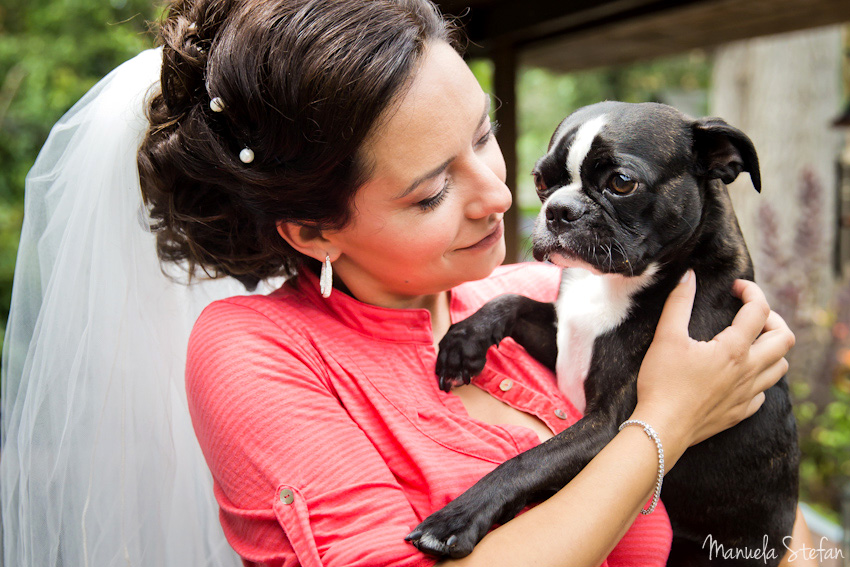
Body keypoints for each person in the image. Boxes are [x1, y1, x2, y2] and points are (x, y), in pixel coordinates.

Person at [0, 0, 810, 566]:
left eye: (486, 137)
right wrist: (667, 417)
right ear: (312, 229)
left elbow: (767, 517)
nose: (496, 193)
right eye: (430, 191)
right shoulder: (260, 351)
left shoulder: (545, 295)